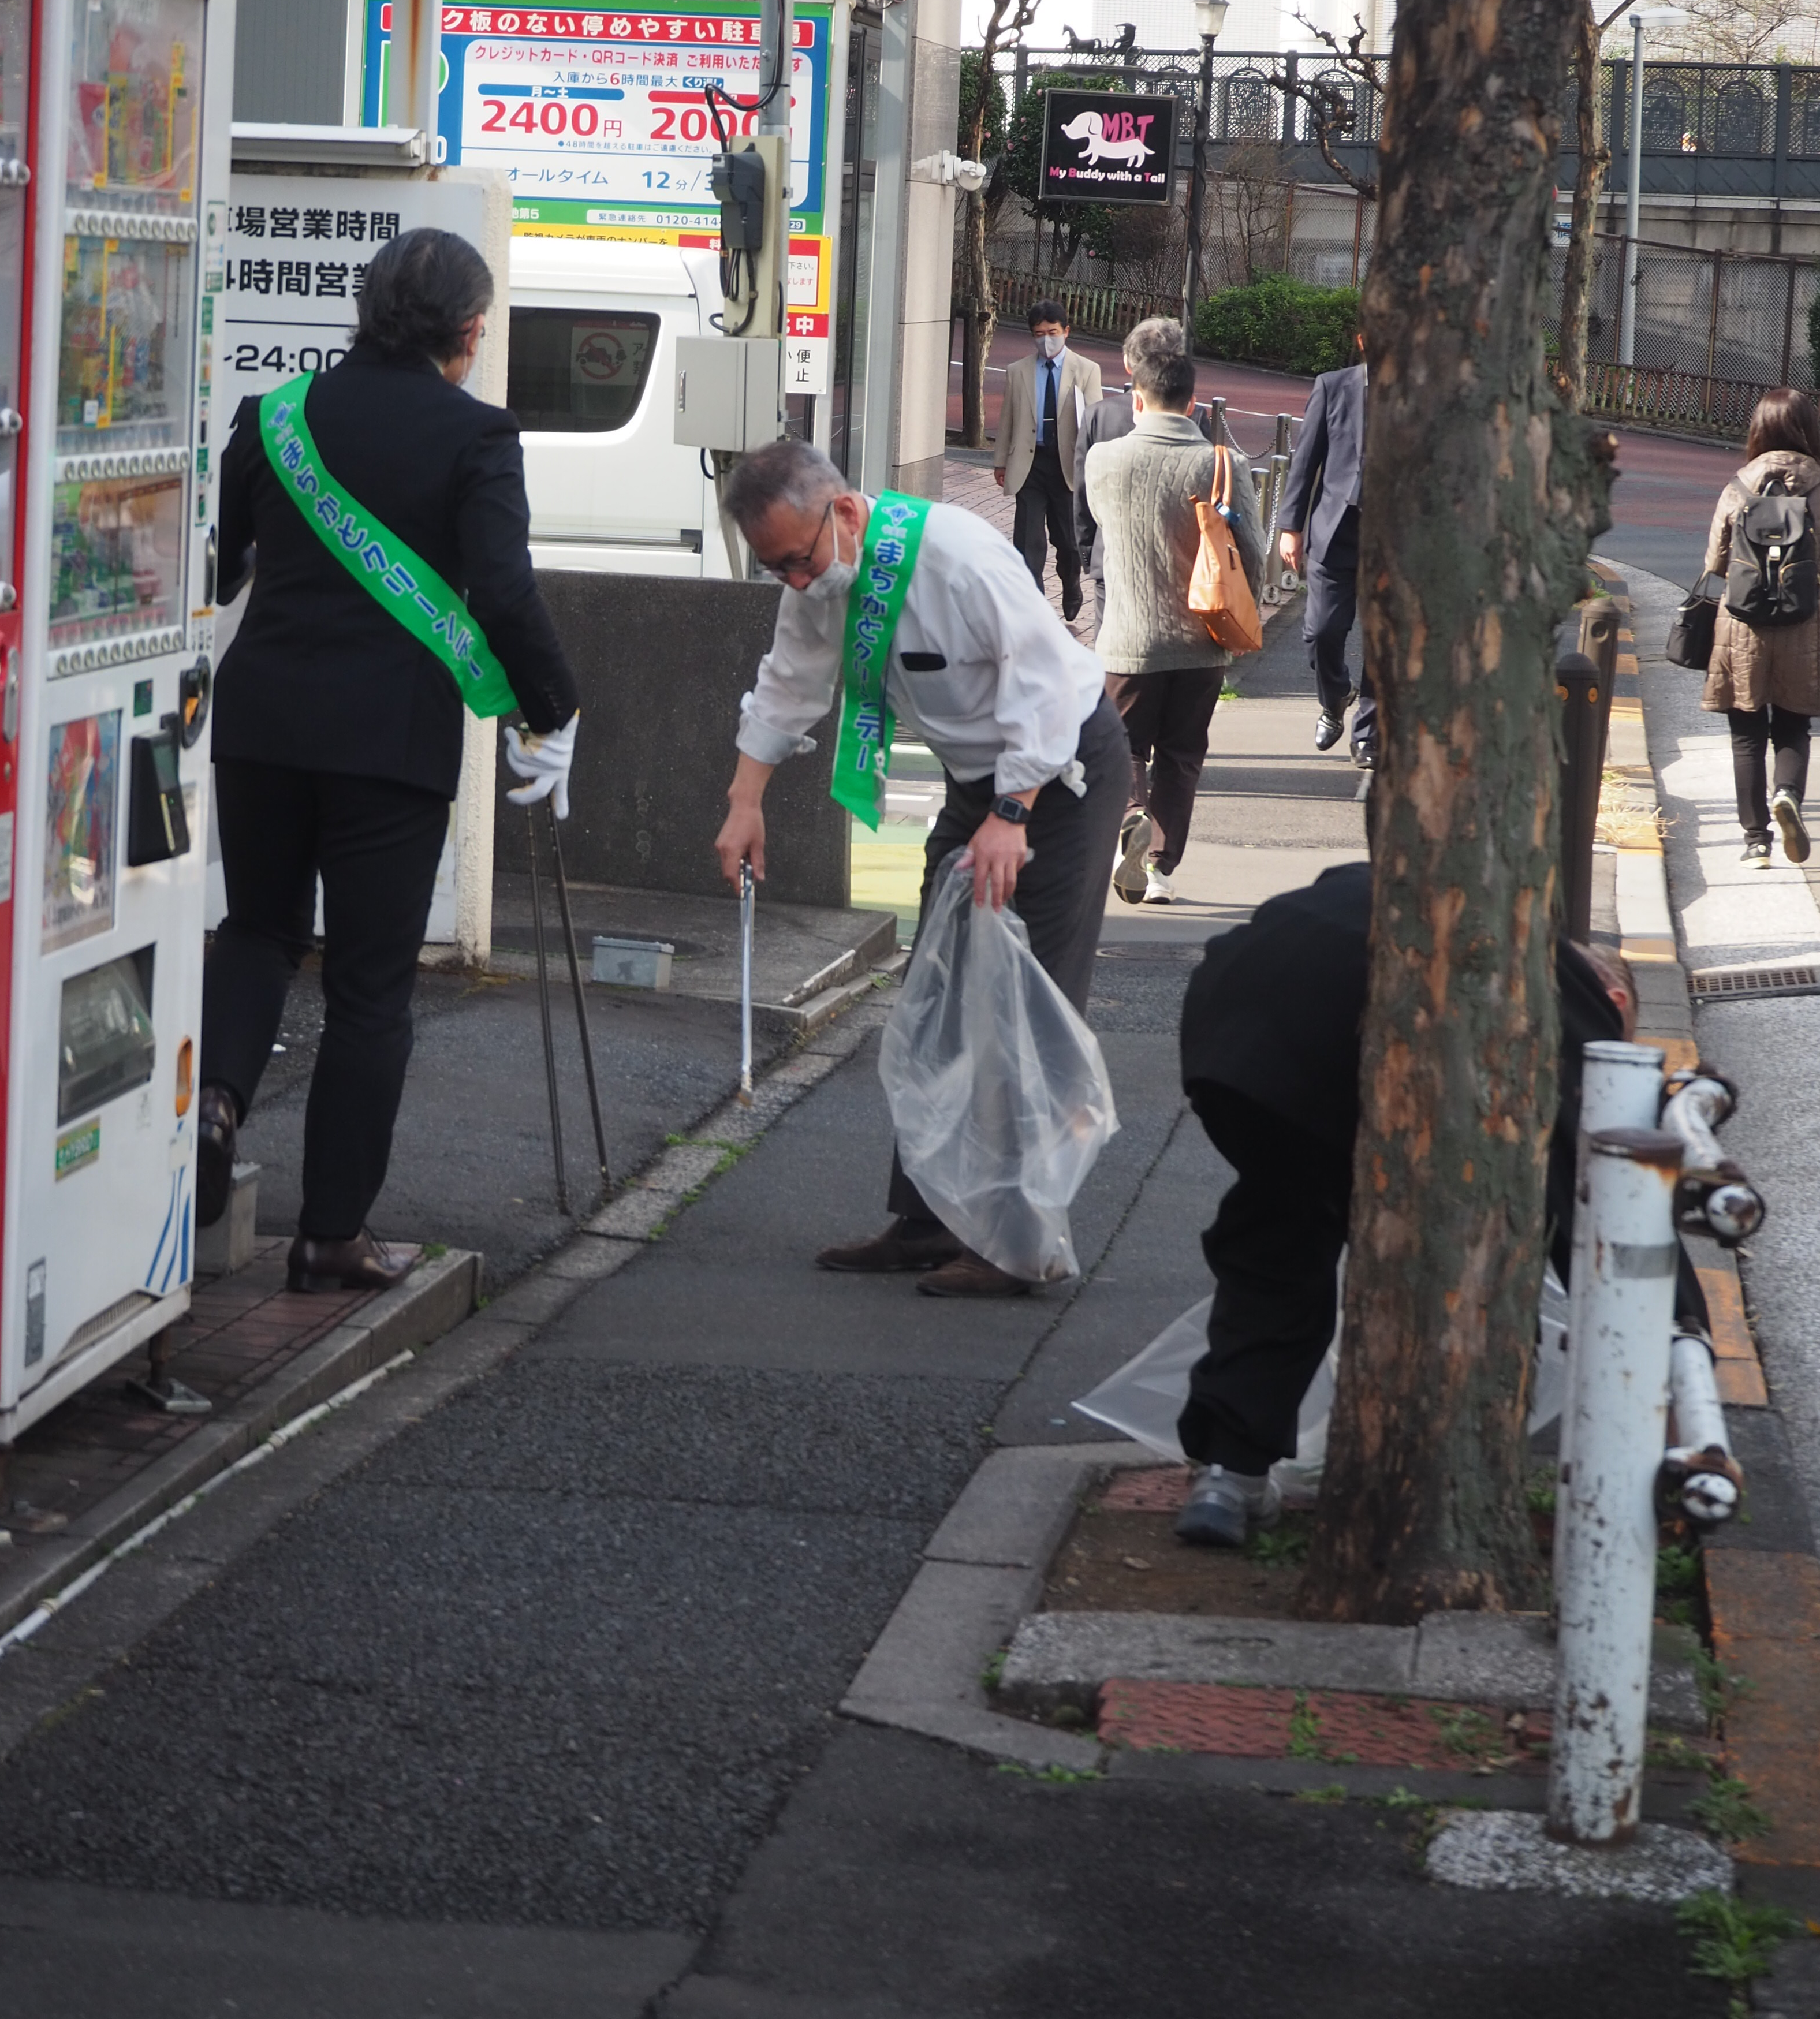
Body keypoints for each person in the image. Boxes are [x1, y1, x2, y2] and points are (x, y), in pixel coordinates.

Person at [197, 228, 581, 1293]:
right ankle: (329, 1235)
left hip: (264, 719)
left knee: (257, 930)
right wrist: (552, 707)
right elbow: (504, 591)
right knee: (369, 990)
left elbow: (217, 561)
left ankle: (218, 1103)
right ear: (468, 331)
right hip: (390, 742)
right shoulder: (478, 436)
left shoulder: (273, 417)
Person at [1169, 861, 1709, 1545]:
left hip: (1228, 1033)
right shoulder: (1546, 975)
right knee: (1298, 1231)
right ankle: (1406, 1484)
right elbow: (1600, 1195)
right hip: (1323, 1031)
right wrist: (1683, 1353)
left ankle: (1227, 1475)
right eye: (1614, 1032)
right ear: (1609, 993)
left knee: (1280, 1238)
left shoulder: (1436, 889)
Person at [714, 436, 1129, 1297]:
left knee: (1022, 1006)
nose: (794, 582)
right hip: (979, 782)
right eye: (774, 571)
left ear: (846, 511)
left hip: (1062, 773)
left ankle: (1014, 1245)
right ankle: (927, 1222)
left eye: (797, 561)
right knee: (938, 999)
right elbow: (791, 684)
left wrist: (1014, 813)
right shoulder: (820, 578)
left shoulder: (959, 557)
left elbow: (1044, 686)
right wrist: (744, 800)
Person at [1083, 318, 1266, 908]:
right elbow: (1254, 557)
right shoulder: (1224, 465)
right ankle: (1160, 867)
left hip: (1128, 639)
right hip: (1203, 640)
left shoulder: (1104, 461)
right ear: (1194, 403)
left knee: (1125, 747)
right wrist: (1244, 622)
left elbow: (1104, 528)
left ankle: (1130, 819)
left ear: (1137, 397)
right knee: (1182, 756)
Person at [1699, 385, 1820, 869]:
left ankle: (1756, 842)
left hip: (1743, 623)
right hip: (1806, 624)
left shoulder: (1739, 486)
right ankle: (1787, 793)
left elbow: (1715, 563)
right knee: (1794, 723)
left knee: (1746, 733)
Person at [1279, 341, 1376, 768]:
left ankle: (1369, 735)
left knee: (1382, 641)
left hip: (1391, 539)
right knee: (1321, 630)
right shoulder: (1333, 386)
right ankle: (1335, 696)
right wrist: (1290, 527)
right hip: (1334, 530)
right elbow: (1307, 460)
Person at [993, 302, 1102, 622]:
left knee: (1068, 542)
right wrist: (1001, 462)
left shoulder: (1087, 370)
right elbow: (1008, 420)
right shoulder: (1018, 371)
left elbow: (1095, 421)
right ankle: (1035, 609)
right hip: (1031, 465)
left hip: (1067, 467)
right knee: (1028, 542)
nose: (1046, 340)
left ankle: (1071, 585)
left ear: (1066, 331)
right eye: (1039, 334)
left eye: (1052, 333)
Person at [1072, 360, 1136, 629]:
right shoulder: (1193, 416)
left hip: (1108, 550)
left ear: (1127, 364)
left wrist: (1087, 550)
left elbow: (1084, 491)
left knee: (1107, 644)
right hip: (1174, 566)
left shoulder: (1098, 415)